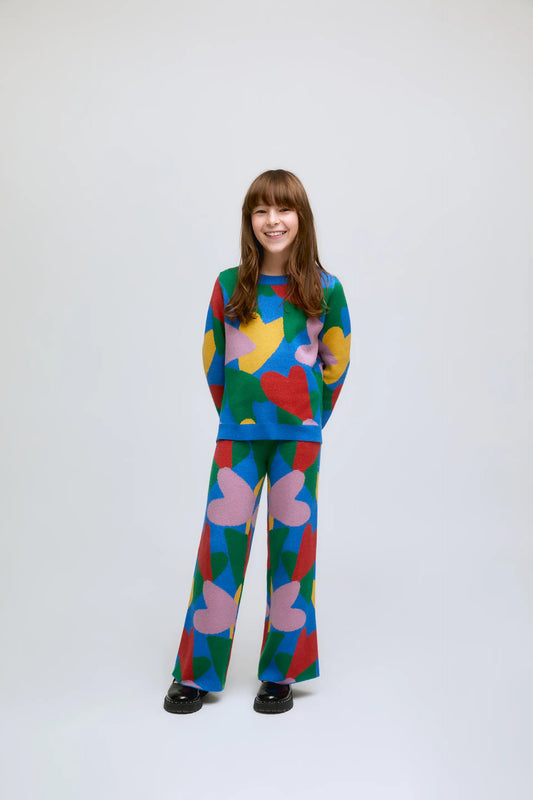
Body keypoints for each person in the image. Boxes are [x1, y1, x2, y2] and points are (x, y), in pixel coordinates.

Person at [164, 169, 351, 714]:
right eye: (261, 211)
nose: (273, 221)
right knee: (219, 550)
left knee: (293, 554)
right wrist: (236, 417)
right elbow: (213, 358)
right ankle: (196, 673)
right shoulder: (229, 285)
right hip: (239, 438)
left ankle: (281, 672)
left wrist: (310, 419)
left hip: (299, 441)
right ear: (249, 221)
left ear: (301, 218)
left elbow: (336, 360)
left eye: (283, 209)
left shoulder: (325, 288)